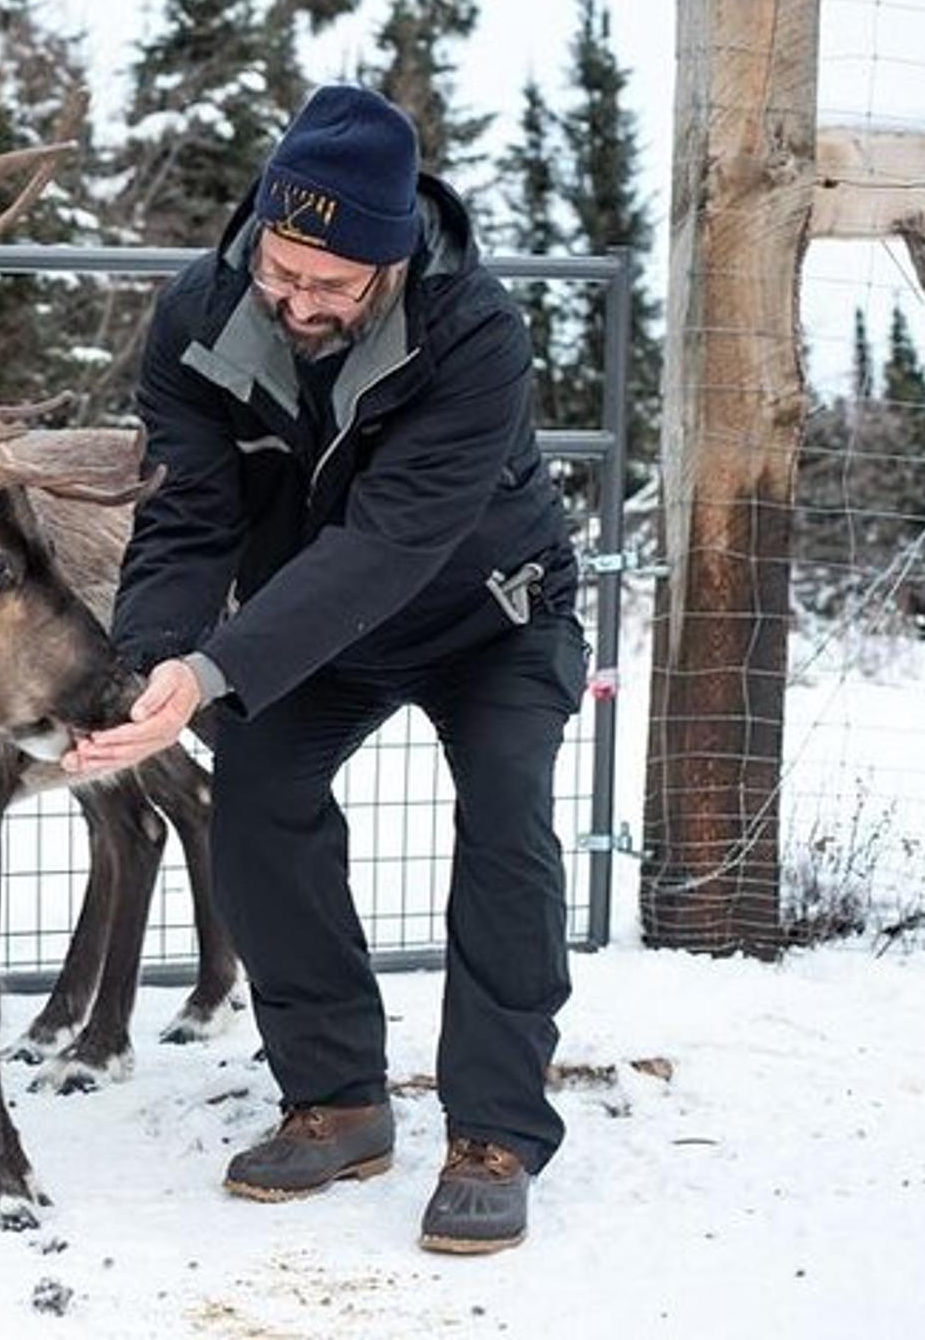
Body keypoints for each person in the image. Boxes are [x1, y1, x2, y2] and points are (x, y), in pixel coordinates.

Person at [63, 83, 587, 1255]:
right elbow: (187, 516)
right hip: (312, 626)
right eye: (280, 271)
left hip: (490, 615)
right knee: (255, 791)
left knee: (505, 817)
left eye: (330, 286)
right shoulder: (198, 315)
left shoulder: (475, 332)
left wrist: (217, 668)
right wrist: (153, 660)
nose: (298, 302)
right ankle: (337, 1099)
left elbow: (389, 541)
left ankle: (494, 1132)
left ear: (390, 263)